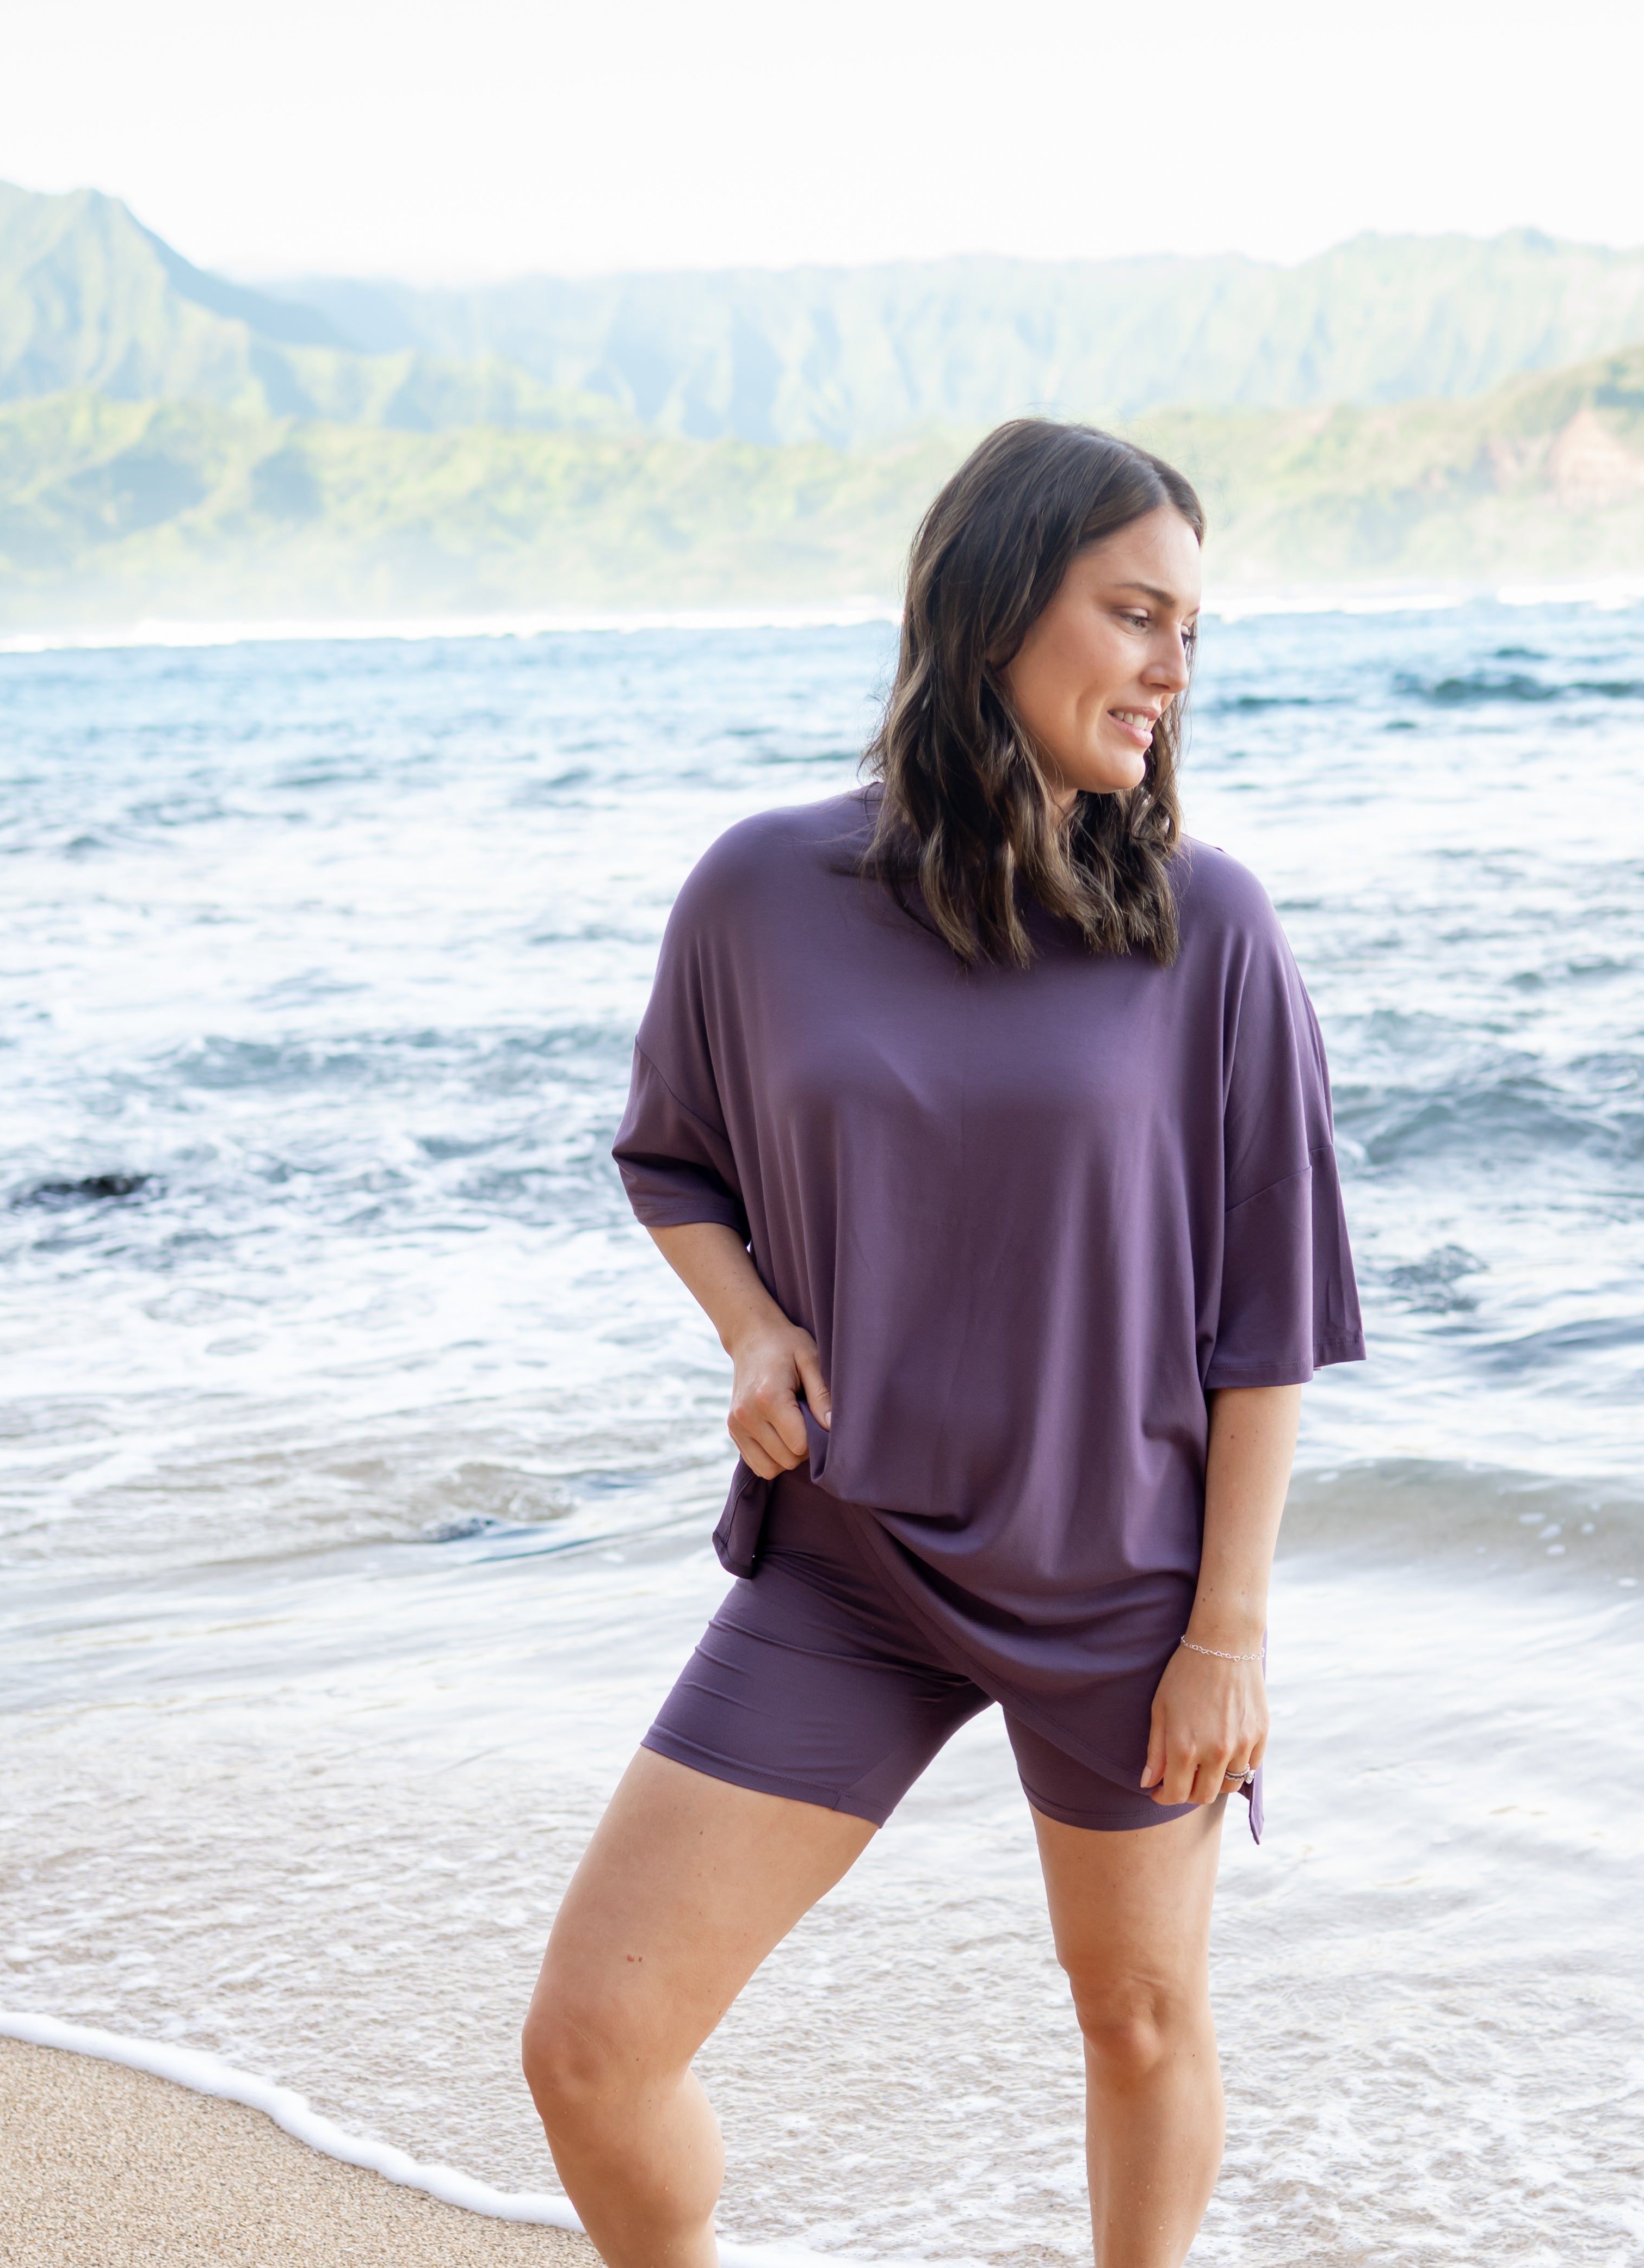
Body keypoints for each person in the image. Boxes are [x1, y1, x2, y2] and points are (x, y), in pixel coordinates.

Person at [522, 419, 1364, 2268]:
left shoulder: (1206, 925)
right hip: (852, 1560)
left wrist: (1225, 1630)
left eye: (1192, 629)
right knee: (590, 2048)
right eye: (1133, 612)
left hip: (1122, 1587)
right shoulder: (760, 891)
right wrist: (751, 1330)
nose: (1172, 666)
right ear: (991, 606)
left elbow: (1269, 1312)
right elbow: (674, 1156)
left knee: (1136, 2016)